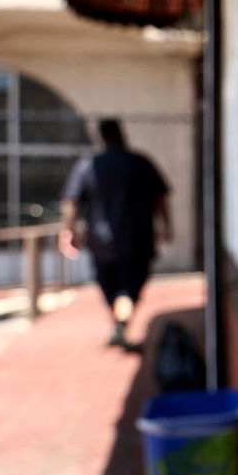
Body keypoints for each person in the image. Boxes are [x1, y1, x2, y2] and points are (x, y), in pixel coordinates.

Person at [59, 119, 172, 349]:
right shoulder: (140, 162)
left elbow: (72, 202)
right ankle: (120, 324)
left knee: (112, 289)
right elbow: (161, 198)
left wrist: (68, 230)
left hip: (102, 243)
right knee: (129, 289)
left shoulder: (89, 165)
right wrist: (166, 225)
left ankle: (119, 325)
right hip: (137, 239)